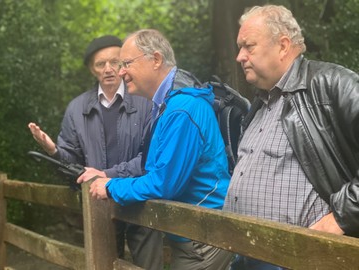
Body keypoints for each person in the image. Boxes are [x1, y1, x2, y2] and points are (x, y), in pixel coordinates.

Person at [223, 4, 359, 270]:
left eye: (248, 46)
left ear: (283, 46)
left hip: (303, 260)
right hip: (245, 256)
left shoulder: (331, 85)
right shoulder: (260, 103)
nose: (239, 56)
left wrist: (343, 217)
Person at [87, 29, 233, 270]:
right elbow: (152, 167)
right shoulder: (168, 103)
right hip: (193, 233)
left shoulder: (181, 108)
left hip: (203, 237)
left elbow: (163, 183)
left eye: (127, 63)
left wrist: (111, 186)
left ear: (155, 60)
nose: (121, 72)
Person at [28, 35, 163, 270]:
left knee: (149, 266)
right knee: (101, 264)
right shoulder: (77, 108)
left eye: (116, 62)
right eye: (101, 64)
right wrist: (54, 151)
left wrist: (106, 174)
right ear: (92, 69)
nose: (109, 69)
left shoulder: (145, 101)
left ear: (124, 64)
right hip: (97, 204)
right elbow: (73, 167)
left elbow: (150, 158)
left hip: (140, 200)